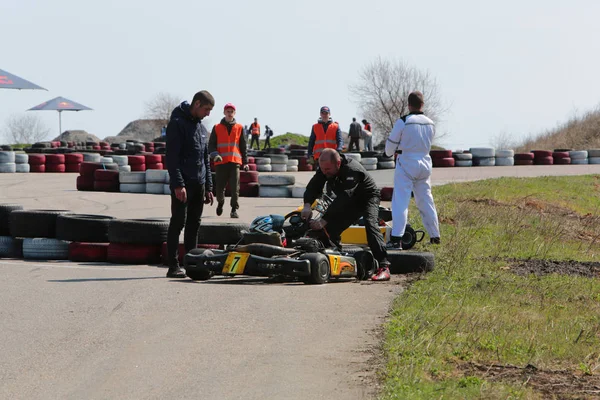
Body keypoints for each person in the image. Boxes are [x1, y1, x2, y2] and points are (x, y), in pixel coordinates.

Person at [301, 148, 391, 281]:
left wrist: (324, 219)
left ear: (338, 163)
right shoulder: (325, 169)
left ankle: (384, 267)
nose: (325, 173)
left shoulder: (351, 169)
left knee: (370, 224)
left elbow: (344, 197)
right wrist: (307, 205)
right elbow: (314, 186)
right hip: (349, 200)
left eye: (327, 170)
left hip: (367, 198)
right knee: (328, 229)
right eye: (322, 169)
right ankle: (333, 254)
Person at [165, 90, 215, 278]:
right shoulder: (177, 124)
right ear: (196, 104)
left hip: (199, 184)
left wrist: (209, 187)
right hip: (183, 184)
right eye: (206, 109)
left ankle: (191, 263)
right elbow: (172, 158)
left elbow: (205, 160)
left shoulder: (202, 129)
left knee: (194, 224)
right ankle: (173, 266)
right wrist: (178, 184)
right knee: (178, 222)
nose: (208, 113)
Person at [384, 91, 440, 249]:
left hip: (407, 163)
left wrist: (387, 153)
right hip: (425, 163)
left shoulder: (403, 121)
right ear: (422, 104)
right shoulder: (431, 123)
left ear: (409, 105)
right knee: (426, 201)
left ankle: (396, 239)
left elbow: (390, 147)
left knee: (400, 201)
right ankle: (435, 236)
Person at [209, 103, 249, 218]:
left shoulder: (239, 128)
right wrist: (215, 155)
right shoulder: (217, 127)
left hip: (234, 162)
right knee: (220, 188)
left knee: (235, 188)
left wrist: (245, 162)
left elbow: (243, 146)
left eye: (232, 111)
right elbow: (211, 145)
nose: (230, 113)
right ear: (224, 113)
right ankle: (220, 203)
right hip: (220, 163)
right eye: (228, 111)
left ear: (234, 113)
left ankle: (233, 210)